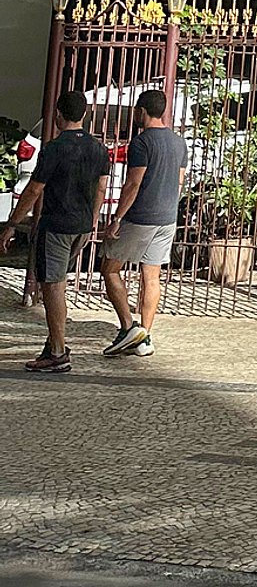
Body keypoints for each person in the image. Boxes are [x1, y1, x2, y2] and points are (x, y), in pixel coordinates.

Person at [6, 89, 109, 376]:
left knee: (53, 287)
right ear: (85, 114)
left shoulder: (53, 148)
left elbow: (34, 189)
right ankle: (53, 343)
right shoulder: (99, 149)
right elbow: (101, 187)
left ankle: (57, 352)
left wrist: (12, 224)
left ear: (58, 115)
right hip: (82, 225)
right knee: (58, 284)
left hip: (57, 225)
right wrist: (93, 219)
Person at [96, 86, 185, 359]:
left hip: (141, 216)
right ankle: (145, 335)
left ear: (142, 111)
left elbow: (133, 184)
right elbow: (179, 181)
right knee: (151, 277)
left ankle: (128, 327)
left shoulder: (141, 142)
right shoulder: (179, 143)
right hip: (167, 217)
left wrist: (117, 218)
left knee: (110, 268)